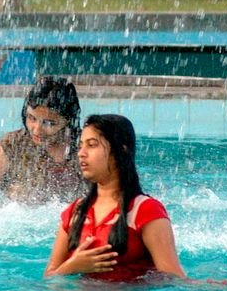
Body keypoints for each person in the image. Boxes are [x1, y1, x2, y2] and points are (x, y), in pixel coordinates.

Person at [45, 114, 187, 281]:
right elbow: (49, 277)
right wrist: (73, 266)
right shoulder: (75, 212)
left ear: (121, 150)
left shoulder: (145, 210)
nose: (81, 154)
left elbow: (174, 278)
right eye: (81, 145)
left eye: (92, 145)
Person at [0, 76, 86, 207]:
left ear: (69, 120)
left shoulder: (85, 147)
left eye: (49, 123)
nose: (36, 130)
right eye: (31, 118)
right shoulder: (11, 146)